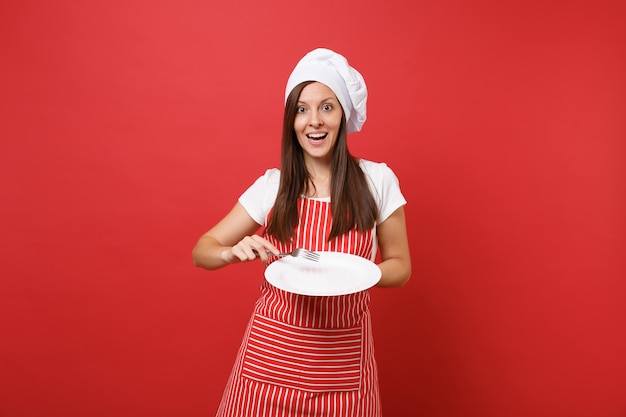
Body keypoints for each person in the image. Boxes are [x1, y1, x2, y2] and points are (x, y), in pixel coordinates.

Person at [192, 48, 411, 417]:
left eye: (327, 107)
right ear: (291, 119)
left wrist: (357, 274)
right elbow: (203, 250)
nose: (314, 121)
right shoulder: (273, 186)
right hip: (266, 369)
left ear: (343, 115)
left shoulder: (377, 181)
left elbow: (401, 266)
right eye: (302, 109)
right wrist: (230, 252)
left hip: (342, 373)